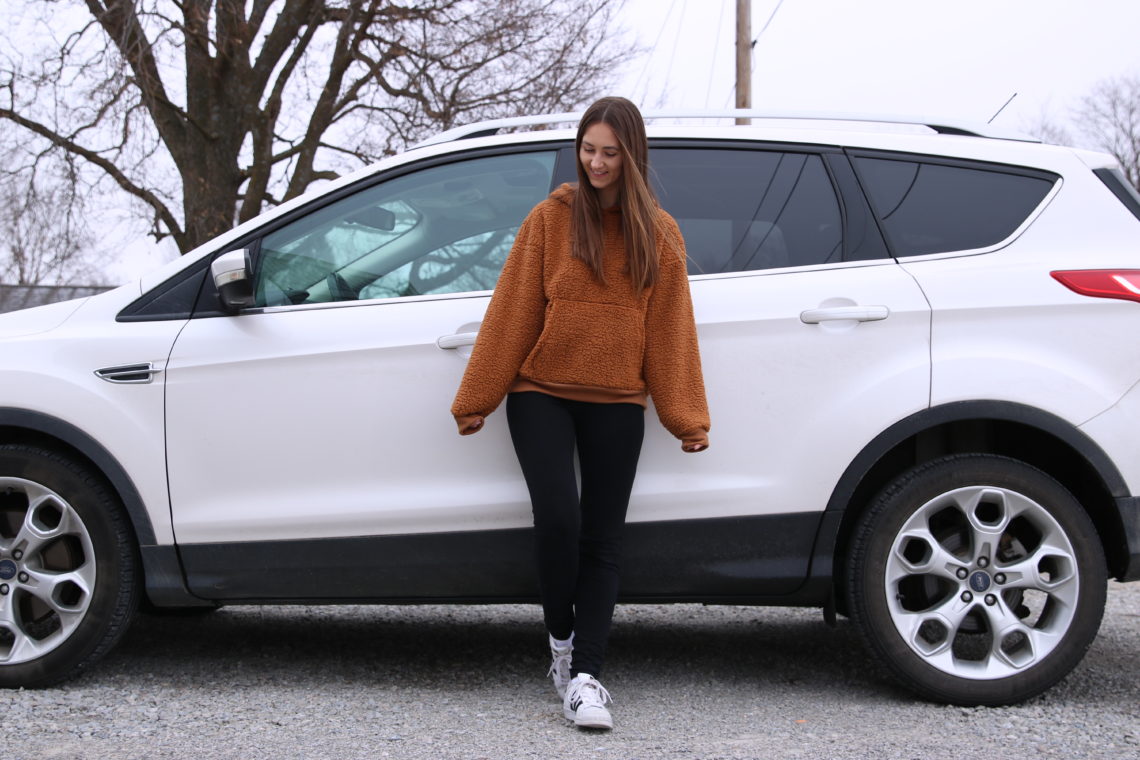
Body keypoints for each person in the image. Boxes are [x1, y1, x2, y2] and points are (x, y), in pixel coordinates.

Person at [450, 96, 710, 731]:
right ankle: (561, 643)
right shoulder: (550, 220)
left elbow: (670, 331)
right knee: (558, 518)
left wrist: (685, 416)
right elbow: (512, 310)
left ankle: (587, 676)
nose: (596, 162)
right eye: (588, 149)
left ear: (632, 155)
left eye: (610, 152)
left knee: (604, 537)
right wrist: (476, 397)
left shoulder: (661, 233)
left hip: (618, 399)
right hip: (540, 391)